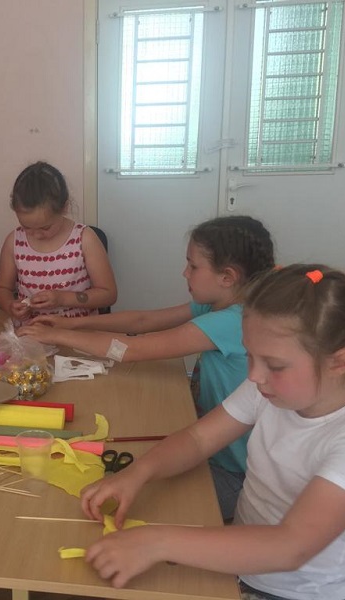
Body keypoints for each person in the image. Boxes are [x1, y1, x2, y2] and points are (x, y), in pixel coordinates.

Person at [81, 265, 345, 600]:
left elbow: (291, 546)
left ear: (338, 362)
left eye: (274, 365)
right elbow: (198, 439)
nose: (255, 375)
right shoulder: (270, 389)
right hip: (243, 567)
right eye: (250, 356)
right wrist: (137, 473)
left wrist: (157, 542)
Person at [21, 215, 274, 520]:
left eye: (193, 266)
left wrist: (58, 336)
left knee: (140, 507)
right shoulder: (219, 304)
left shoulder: (232, 321)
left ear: (227, 277)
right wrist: (72, 324)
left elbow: (133, 349)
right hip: (211, 449)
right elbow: (143, 321)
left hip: (233, 474)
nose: (185, 272)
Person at [0, 161, 117, 322]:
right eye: (27, 227)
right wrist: (10, 305)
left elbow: (108, 294)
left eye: (45, 228)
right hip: (32, 331)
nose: (36, 235)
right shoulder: (14, 241)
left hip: (78, 331)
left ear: (64, 208)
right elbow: (2, 288)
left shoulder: (85, 239)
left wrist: (63, 298)